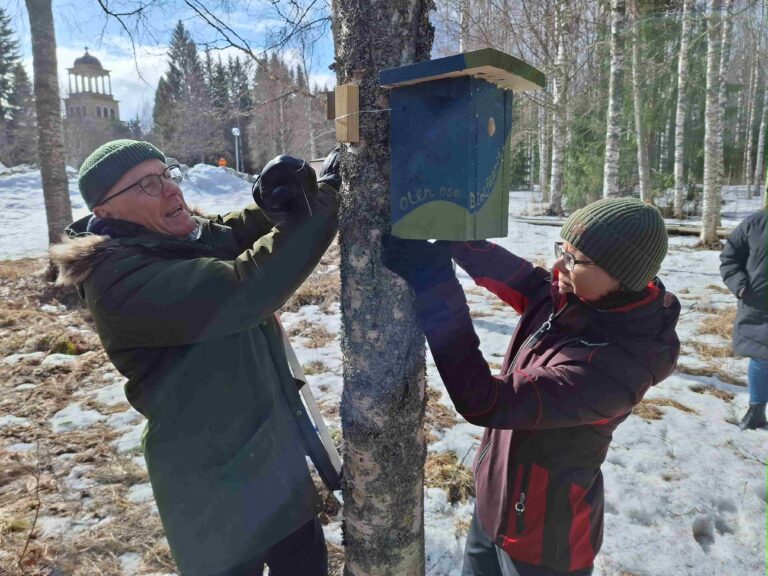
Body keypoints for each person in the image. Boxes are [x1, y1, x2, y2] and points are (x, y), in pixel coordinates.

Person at [51, 139, 341, 576]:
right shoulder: (119, 280)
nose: (169, 189)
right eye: (148, 184)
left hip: (271, 457)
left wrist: (285, 198)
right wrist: (323, 205)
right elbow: (246, 287)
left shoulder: (168, 237)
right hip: (211, 489)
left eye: (167, 174)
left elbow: (228, 232)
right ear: (106, 211)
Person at [381, 197, 680, 576]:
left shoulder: (616, 369)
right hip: (493, 505)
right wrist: (458, 240)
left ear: (621, 276)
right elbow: (524, 280)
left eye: (575, 259)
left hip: (547, 544)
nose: (559, 265)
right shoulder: (577, 298)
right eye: (563, 250)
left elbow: (485, 401)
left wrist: (436, 289)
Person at [719, 206, 767, 430]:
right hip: (759, 305)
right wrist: (740, 287)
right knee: (761, 356)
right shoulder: (755, 223)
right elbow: (729, 258)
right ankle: (756, 410)